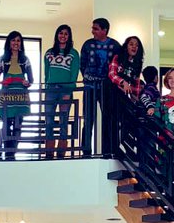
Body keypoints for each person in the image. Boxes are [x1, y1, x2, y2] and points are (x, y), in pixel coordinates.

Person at [79, 18, 120, 156]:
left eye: (95, 28)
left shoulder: (115, 46)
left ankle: (107, 150)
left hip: (107, 89)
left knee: (108, 119)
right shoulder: (87, 44)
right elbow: (82, 64)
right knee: (88, 119)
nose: (92, 31)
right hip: (89, 87)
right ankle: (86, 151)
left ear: (104, 30)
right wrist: (88, 78)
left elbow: (119, 66)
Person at [0, 31, 33, 160]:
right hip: (7, 95)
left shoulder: (25, 60)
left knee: (18, 124)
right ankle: (8, 152)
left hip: (20, 95)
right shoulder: (2, 59)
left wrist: (27, 82)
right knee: (6, 123)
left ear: (21, 43)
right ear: (9, 43)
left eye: (18, 40)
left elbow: (31, 79)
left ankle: (13, 152)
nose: (16, 43)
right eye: (13, 40)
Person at [43, 24, 80, 159]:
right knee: (49, 119)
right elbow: (46, 73)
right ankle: (49, 150)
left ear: (69, 36)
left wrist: (68, 91)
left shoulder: (73, 53)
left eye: (65, 33)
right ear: (57, 35)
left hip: (65, 90)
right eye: (60, 33)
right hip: (51, 89)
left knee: (63, 119)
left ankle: (61, 150)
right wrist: (47, 86)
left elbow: (74, 73)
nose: (63, 36)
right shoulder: (49, 52)